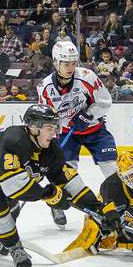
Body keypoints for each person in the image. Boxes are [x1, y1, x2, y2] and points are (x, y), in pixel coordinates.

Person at [0, 104, 103, 267]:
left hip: (1, 180)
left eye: (55, 127)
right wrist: (46, 194)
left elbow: (70, 182)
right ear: (33, 127)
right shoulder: (14, 140)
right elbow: (12, 187)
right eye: (49, 128)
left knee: (11, 209)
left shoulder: (51, 150)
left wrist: (100, 210)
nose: (54, 132)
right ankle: (15, 248)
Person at [37, 39, 116, 228]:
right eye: (66, 63)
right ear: (56, 62)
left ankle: (120, 205)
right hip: (66, 134)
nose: (71, 67)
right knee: (66, 173)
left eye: (73, 63)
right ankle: (56, 203)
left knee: (111, 169)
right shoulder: (45, 86)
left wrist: (88, 115)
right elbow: (46, 117)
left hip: (95, 130)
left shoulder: (87, 76)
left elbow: (105, 101)